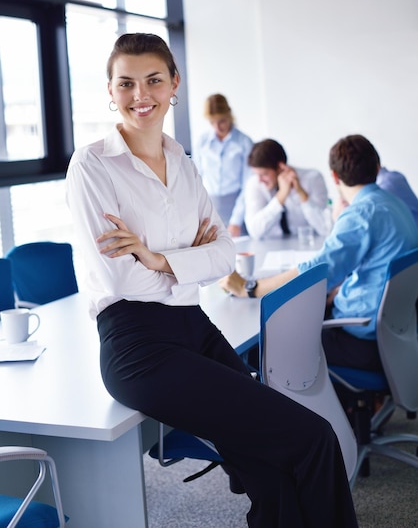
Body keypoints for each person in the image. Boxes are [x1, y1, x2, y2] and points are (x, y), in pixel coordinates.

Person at [66, 33, 358, 528]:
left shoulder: (183, 163)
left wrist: (158, 259)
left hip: (193, 325)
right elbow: (119, 275)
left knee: (271, 467)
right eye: (126, 83)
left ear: (174, 83)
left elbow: (224, 253)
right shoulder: (93, 165)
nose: (141, 94)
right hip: (137, 343)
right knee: (312, 438)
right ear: (110, 91)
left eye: (154, 80)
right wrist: (186, 260)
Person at [221, 134, 418, 372]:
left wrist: (250, 288)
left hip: (362, 341)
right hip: (396, 334)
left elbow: (317, 271)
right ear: (377, 167)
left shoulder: (360, 216)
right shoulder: (394, 203)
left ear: (334, 176)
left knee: (260, 349)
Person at [244, 139, 330, 240]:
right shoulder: (254, 184)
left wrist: (302, 194)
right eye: (256, 174)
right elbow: (254, 231)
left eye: (264, 174)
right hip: (270, 248)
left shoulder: (313, 178)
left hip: (307, 245)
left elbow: (325, 229)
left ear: (280, 167)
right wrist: (281, 196)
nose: (260, 180)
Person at [193, 93, 253, 237]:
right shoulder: (202, 142)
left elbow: (248, 184)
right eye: (212, 122)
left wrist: (236, 221)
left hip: (237, 208)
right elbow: (196, 180)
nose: (218, 127)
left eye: (222, 121)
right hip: (210, 208)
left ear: (229, 115)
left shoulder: (244, 143)